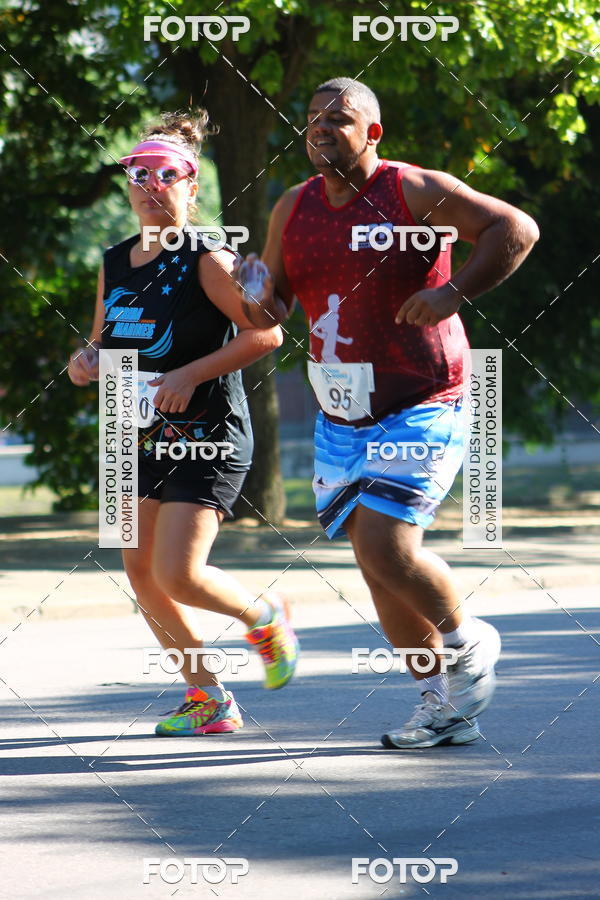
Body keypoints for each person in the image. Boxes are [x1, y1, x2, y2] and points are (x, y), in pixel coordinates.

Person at [238, 77, 539, 749]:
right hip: (340, 412)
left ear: (372, 132)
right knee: (376, 567)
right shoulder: (293, 206)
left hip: (423, 397)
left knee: (385, 544)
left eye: (338, 118)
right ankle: (440, 705)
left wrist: (453, 292)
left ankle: (468, 641)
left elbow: (516, 228)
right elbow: (273, 309)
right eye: (311, 118)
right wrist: (253, 292)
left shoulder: (413, 191)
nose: (320, 127)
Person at [68, 110, 299, 736]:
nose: (149, 186)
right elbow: (103, 341)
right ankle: (208, 696)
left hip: (206, 435)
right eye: (137, 174)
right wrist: (86, 361)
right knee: (140, 573)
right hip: (133, 436)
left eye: (165, 174)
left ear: (191, 185)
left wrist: (189, 374)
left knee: (179, 573)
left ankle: (264, 615)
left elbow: (267, 333)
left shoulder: (208, 257)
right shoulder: (115, 260)